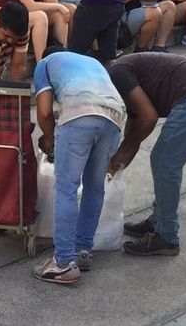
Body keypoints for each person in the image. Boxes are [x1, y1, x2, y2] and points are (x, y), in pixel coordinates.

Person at [108, 53, 186, 257]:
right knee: (164, 160)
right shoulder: (127, 82)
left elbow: (148, 118)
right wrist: (115, 169)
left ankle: (166, 237)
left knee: (165, 162)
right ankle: (159, 220)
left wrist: (116, 158)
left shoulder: (117, 73)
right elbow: (133, 138)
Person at [32, 51, 126, 283]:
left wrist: (50, 138)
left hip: (79, 113)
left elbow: (44, 112)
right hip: (114, 116)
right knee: (95, 187)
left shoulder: (43, 65)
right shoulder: (92, 62)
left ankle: (63, 262)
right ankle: (83, 251)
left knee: (67, 188)